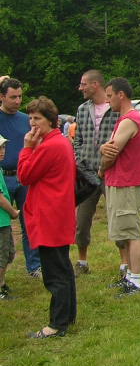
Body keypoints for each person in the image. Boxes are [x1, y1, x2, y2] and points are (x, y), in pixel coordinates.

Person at [17, 96, 77, 337]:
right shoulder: (60, 142)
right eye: (30, 118)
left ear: (51, 120)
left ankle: (56, 324)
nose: (32, 124)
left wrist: (27, 148)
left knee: (54, 272)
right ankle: (67, 317)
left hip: (49, 214)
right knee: (62, 268)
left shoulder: (50, 146)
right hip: (57, 212)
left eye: (37, 118)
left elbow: (24, 175)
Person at [99, 78, 140, 296]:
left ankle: (135, 280)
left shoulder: (131, 119)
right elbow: (108, 148)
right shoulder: (126, 120)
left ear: (121, 95)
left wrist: (102, 165)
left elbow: (112, 151)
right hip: (119, 181)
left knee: (131, 231)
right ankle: (128, 275)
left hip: (125, 182)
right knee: (124, 232)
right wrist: (103, 148)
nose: (107, 100)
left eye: (109, 95)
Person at [71, 69, 119, 276]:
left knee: (117, 218)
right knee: (81, 221)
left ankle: (125, 263)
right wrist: (79, 157)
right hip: (87, 173)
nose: (80, 88)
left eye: (83, 84)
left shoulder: (115, 108)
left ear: (95, 84)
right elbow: (78, 138)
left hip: (111, 171)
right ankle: (82, 262)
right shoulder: (82, 109)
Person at [0, 77, 42, 278]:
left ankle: (34, 266)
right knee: (2, 227)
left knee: (30, 223)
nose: (17, 101)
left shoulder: (26, 119)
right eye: (12, 97)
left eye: (20, 96)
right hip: (2, 179)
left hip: (24, 178)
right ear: (2, 97)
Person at [0, 136, 21, 299]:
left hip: (4, 221)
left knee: (8, 253)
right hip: (1, 221)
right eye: (0, 148)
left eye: (3, 147)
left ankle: (2, 283)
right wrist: (13, 212)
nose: (2, 151)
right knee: (2, 255)